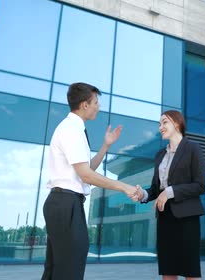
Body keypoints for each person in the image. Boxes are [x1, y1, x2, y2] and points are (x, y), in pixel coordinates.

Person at [41, 82, 139, 280]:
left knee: (57, 271)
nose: (98, 106)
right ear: (85, 104)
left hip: (65, 203)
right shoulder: (71, 130)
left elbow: (87, 170)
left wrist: (105, 145)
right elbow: (86, 175)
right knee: (69, 271)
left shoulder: (75, 129)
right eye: (96, 102)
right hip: (65, 204)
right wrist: (123, 186)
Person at [136, 110, 205, 280]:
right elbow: (156, 188)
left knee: (190, 270)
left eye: (164, 122)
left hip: (187, 217)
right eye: (160, 124)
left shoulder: (192, 148)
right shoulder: (160, 155)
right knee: (168, 269)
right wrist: (143, 194)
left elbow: (200, 185)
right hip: (165, 217)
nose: (160, 127)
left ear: (177, 123)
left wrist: (170, 192)